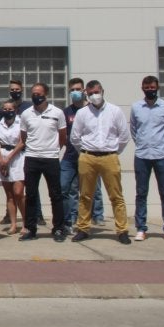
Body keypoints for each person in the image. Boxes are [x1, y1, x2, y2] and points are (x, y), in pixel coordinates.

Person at [68, 81, 132, 243]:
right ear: (86, 95)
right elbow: (75, 137)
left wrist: (114, 152)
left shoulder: (115, 111)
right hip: (87, 156)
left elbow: (124, 136)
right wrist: (84, 152)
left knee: (116, 195)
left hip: (109, 156)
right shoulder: (82, 113)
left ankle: (122, 230)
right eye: (90, 94)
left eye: (97, 92)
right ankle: (83, 228)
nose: (94, 96)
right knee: (85, 195)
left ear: (103, 91)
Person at [131, 75, 164, 242]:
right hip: (142, 155)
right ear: (142, 88)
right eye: (146, 87)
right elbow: (134, 130)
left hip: (162, 155)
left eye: (152, 87)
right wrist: (144, 144)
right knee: (141, 193)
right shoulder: (136, 107)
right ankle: (141, 228)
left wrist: (161, 144)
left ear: (157, 88)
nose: (150, 90)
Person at [19, 82, 67, 242]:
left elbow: (62, 136)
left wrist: (53, 150)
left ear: (46, 94)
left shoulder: (57, 112)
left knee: (56, 195)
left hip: (51, 158)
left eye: (39, 93)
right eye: (33, 93)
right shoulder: (26, 114)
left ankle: (59, 228)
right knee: (31, 195)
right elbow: (24, 137)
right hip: (31, 157)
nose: (36, 96)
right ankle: (31, 229)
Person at [60, 77, 105, 235]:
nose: (75, 92)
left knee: (91, 189)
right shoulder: (66, 112)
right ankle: (72, 219)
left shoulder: (91, 110)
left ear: (84, 91)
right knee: (67, 189)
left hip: (88, 156)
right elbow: (62, 134)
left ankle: (96, 215)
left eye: (78, 89)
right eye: (72, 90)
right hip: (70, 156)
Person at [0, 100, 26, 235]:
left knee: (19, 192)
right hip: (2, 157)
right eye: (5, 109)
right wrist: (1, 160)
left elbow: (22, 142)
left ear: (15, 110)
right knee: (9, 195)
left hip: (17, 157)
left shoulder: (21, 123)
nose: (7, 112)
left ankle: (26, 222)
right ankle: (13, 224)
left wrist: (9, 158)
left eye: (10, 109)